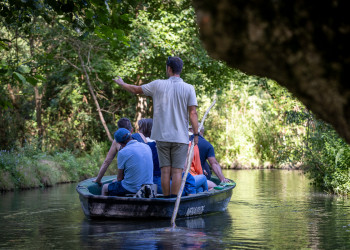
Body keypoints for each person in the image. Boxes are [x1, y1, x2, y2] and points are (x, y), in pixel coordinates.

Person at [113, 56, 199, 198]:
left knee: (165, 171)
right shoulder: (189, 88)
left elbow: (135, 90)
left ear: (169, 69)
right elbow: (193, 113)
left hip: (162, 137)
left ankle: (166, 199)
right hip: (180, 138)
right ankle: (173, 200)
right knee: (177, 171)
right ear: (180, 70)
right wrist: (195, 135)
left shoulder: (158, 84)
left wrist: (122, 84)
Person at [101, 128, 153, 196]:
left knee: (105, 187)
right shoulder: (147, 147)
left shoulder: (123, 152)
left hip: (131, 189)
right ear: (130, 135)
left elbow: (119, 178)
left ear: (119, 143)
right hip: (148, 187)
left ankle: (103, 206)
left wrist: (115, 181)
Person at [94, 118, 146, 185]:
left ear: (119, 130)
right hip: (146, 178)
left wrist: (98, 179)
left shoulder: (117, 141)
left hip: (130, 180)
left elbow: (107, 161)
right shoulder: (141, 136)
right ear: (132, 129)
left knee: (111, 184)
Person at [137, 118, 162, 194]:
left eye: (140, 128)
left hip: (141, 182)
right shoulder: (157, 144)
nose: (138, 130)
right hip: (157, 181)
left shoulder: (139, 144)